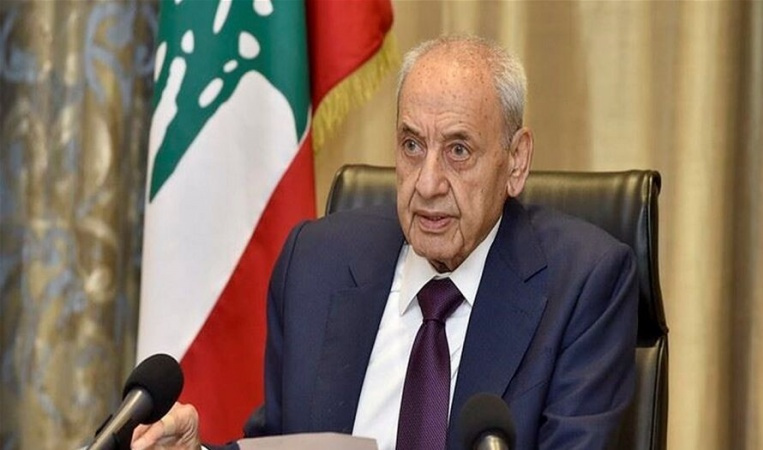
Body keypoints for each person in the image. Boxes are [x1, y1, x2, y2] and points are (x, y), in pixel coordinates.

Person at [131, 35, 637, 450]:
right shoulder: (315, 263)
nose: (427, 183)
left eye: (458, 150)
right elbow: (277, 443)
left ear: (516, 161)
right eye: (412, 145)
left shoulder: (584, 284)